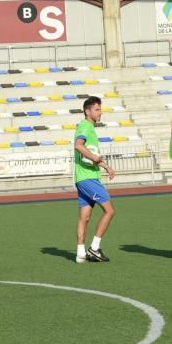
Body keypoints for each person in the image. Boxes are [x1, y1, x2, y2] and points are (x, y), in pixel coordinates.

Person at [73, 96, 116, 263]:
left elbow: (91, 154)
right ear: (87, 111)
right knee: (110, 210)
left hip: (84, 177)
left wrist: (105, 166)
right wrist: (95, 158)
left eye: (100, 109)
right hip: (88, 178)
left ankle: (80, 253)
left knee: (85, 217)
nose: (100, 112)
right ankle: (94, 248)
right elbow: (78, 145)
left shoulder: (88, 127)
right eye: (97, 109)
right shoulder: (85, 126)